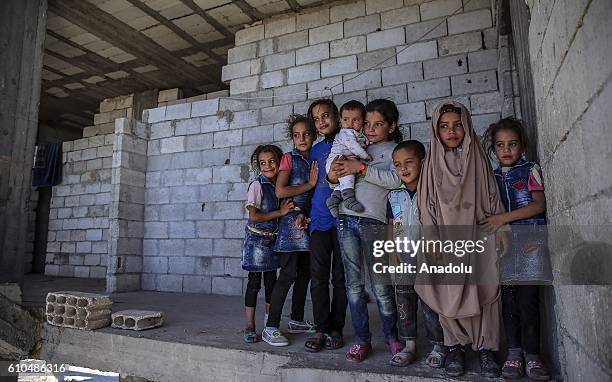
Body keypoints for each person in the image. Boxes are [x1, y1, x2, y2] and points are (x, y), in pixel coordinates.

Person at [415, 101, 504, 378]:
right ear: (436, 130)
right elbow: (426, 205)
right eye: (444, 126)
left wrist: (499, 231)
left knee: (485, 291)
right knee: (448, 291)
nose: (451, 131)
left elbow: (491, 196)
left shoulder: (477, 157)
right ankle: (454, 346)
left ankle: (486, 349)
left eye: (457, 125)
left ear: (467, 127)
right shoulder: (430, 162)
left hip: (478, 237)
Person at [328, 99, 403, 363]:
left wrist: (361, 168)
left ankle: (392, 337)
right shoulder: (355, 143)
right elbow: (335, 174)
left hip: (374, 221)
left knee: (381, 285)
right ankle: (363, 339)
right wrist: (333, 174)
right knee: (354, 285)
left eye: (378, 124)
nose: (370, 129)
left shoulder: (395, 150)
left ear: (392, 126)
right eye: (367, 123)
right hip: (346, 219)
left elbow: (396, 179)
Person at [482, 117, 551, 381]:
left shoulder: (530, 169)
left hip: (531, 242)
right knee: (509, 300)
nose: (506, 150)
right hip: (505, 247)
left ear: (522, 146)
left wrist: (502, 219)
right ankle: (514, 353)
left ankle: (532, 356)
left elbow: (538, 206)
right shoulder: (492, 177)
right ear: (494, 149)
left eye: (512, 144)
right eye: (500, 145)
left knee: (528, 300)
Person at [386, 140, 448, 368]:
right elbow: (392, 224)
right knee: (404, 301)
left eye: (408, 162)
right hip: (403, 256)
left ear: (423, 162)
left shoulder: (432, 191)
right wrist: (391, 251)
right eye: (397, 164)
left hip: (428, 257)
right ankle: (409, 344)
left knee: (431, 302)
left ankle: (438, 344)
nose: (403, 168)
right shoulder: (394, 195)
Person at [263, 114, 318, 346]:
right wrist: (309, 184)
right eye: (296, 135)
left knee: (304, 273)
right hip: (289, 223)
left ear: (313, 135)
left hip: (305, 221)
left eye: (306, 134)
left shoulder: (315, 157)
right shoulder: (289, 158)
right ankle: (270, 326)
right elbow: (280, 192)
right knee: (287, 274)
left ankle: (296, 319)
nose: (301, 138)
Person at [303, 99, 348, 353]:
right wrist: (303, 213)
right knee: (318, 278)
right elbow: (311, 186)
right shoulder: (315, 151)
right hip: (318, 221)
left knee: (341, 278)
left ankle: (336, 328)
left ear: (337, 116)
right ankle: (320, 327)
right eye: (317, 118)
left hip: (343, 219)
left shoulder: (350, 142)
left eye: (326, 115)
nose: (322, 121)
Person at [241, 145, 292, 343]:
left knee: (272, 283)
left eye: (272, 161)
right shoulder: (257, 185)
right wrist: (280, 213)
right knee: (254, 283)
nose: (268, 166)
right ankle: (249, 325)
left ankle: (269, 325)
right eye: (263, 163)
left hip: (274, 240)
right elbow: (254, 216)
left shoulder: (281, 185)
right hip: (257, 240)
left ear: (280, 161)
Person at [325, 100, 372, 217]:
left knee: (343, 180)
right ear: (340, 120)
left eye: (355, 120)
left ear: (362, 122)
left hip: (342, 160)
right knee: (348, 173)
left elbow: (363, 142)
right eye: (346, 119)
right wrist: (366, 156)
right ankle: (349, 200)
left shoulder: (357, 134)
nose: (350, 123)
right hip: (337, 160)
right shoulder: (346, 132)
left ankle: (334, 200)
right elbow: (354, 146)